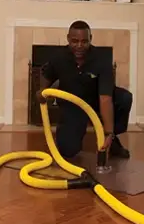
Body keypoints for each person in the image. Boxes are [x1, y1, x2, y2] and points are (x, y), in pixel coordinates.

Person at [37, 20, 132, 159]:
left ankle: (111, 139)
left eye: (84, 41)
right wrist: (42, 90)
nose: (79, 46)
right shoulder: (59, 57)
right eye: (75, 41)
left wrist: (108, 132)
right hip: (72, 105)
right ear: (68, 38)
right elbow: (46, 75)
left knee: (124, 98)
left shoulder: (101, 59)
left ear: (90, 39)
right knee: (67, 150)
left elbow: (105, 98)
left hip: (96, 101)